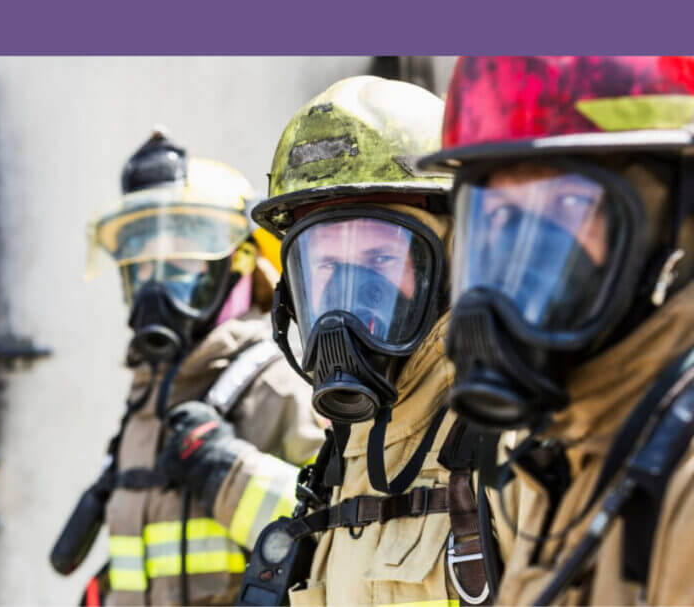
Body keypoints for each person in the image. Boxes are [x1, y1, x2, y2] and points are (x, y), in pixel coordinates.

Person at [158, 77, 530, 606]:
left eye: (380, 260)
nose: (346, 303)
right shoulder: (342, 463)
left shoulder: (515, 449)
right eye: (327, 266)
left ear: (460, 258)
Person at [416, 56, 694, 605]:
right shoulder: (567, 459)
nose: (523, 256)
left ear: (677, 225)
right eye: (497, 216)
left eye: (567, 205)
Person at [51, 129, 324, 606]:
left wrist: (228, 471)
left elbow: (336, 537)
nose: (157, 290)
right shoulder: (146, 399)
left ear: (241, 267)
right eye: (144, 267)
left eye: (181, 266)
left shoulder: (279, 384)